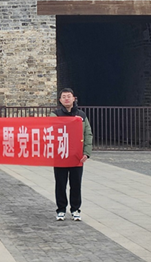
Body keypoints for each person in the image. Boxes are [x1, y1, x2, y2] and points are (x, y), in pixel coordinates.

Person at [51, 87, 93, 222]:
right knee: (60, 184)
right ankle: (61, 209)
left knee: (76, 184)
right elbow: (51, 130)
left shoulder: (81, 116)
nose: (66, 99)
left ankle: (75, 209)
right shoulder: (55, 115)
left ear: (73, 98)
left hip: (76, 156)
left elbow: (87, 134)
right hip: (60, 155)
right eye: (64, 97)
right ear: (60, 100)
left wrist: (86, 152)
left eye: (69, 96)